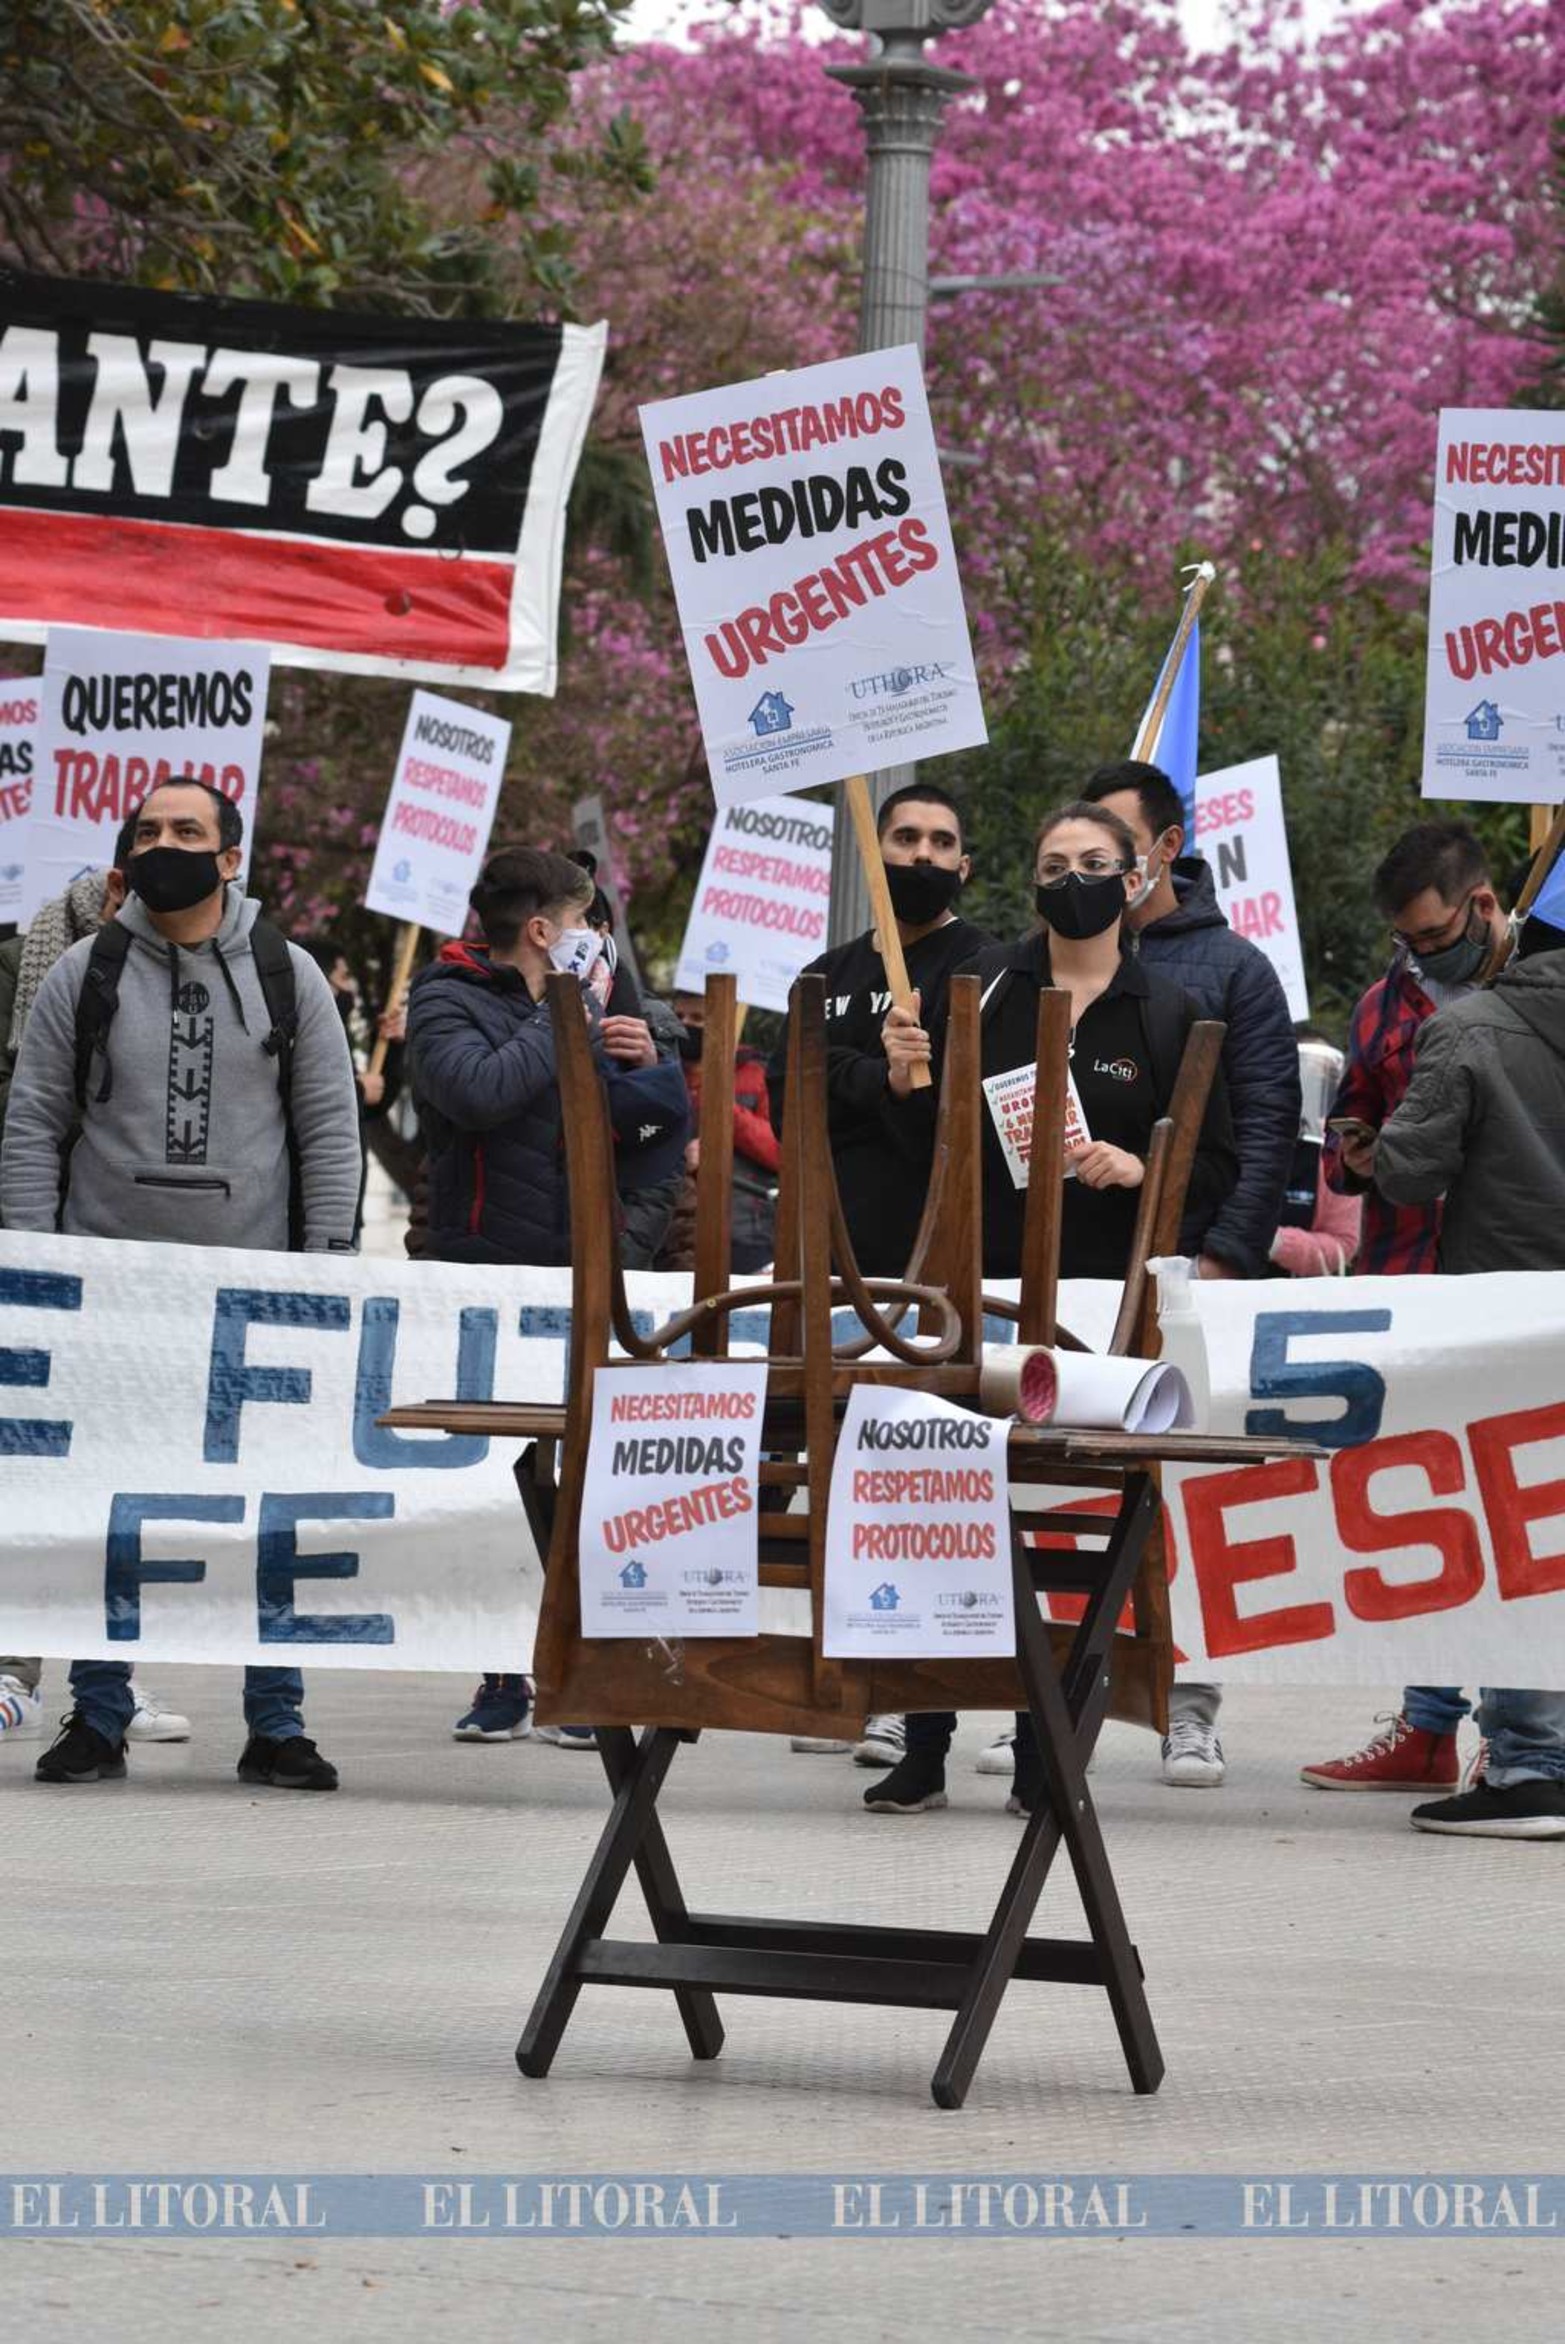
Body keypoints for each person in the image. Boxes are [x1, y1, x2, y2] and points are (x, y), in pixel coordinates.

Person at [865, 798, 1238, 1816]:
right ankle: (922, 1737)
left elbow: (1214, 1162)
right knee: (947, 1507)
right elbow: (925, 1145)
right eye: (1051, 864)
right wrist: (901, 1079)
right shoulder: (980, 992)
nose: (1071, 880)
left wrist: (1142, 1166)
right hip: (976, 1294)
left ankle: (1044, 1746)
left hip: (1099, 1308)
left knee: (1067, 1523)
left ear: (1132, 879)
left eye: (1092, 862)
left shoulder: (1166, 1012)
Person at [1, 779, 362, 1790]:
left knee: (270, 1515)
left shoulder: (289, 974)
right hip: (108, 1294)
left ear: (229, 857)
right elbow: (32, 1124)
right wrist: (36, 1263)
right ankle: (98, 1714)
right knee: (110, 1510)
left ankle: (277, 1723)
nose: (165, 843)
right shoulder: (84, 971)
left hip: (256, 1301)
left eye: (187, 831)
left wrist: (326, 1270)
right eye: (150, 830)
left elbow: (330, 1130)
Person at [407, 844, 689, 1746]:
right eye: (580, 923)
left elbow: (654, 1142)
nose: (596, 938)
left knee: (585, 1483)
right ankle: (504, 1673)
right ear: (540, 931)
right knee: (500, 1484)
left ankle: (580, 1672)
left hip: (588, 1274)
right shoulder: (446, 998)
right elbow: (478, 1093)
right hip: (488, 1277)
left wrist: (643, 1064)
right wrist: (567, 1012)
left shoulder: (600, 1001)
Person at [1078, 760, 1301, 1789]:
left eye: (1114, 849)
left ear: (1164, 849)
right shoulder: (1051, 958)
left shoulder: (1233, 971)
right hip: (1076, 1279)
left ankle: (1189, 1706)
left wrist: (1221, 1256)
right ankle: (1052, 1698)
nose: (1094, 869)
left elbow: (1265, 1126)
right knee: (1067, 1487)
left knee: (1181, 1495)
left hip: (1186, 1276)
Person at [767, 781, 991, 1767]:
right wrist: (883, 1074)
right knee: (840, 1476)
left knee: (924, 1479)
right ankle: (852, 1677)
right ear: (875, 854)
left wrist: (914, 1082)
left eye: (941, 841)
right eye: (903, 837)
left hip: (941, 1262)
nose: (922, 855)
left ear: (964, 864)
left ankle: (913, 1696)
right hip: (836, 1256)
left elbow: (976, 1106)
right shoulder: (822, 975)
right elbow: (793, 1090)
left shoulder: (987, 968)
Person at [1301, 821, 1513, 1795]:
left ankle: (1519, 1740)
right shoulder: (1383, 1003)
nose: (1419, 955)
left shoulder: (1538, 993)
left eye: (1431, 936)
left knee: (1515, 1507)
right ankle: (1426, 1725)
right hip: (1410, 1276)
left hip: (1514, 1281)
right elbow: (1350, 1112)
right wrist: (1354, 1144)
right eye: (1404, 940)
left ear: (1481, 904)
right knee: (1428, 1504)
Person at [1346, 906, 1565, 1841]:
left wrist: (1372, 1149)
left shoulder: (1468, 1027)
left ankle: (1528, 1763)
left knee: (1518, 1532)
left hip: (1504, 1317)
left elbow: (1411, 1175)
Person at [0, 826, 195, 1749]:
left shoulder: (204, 969)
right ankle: (15, 1666)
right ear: (116, 880)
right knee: (39, 1470)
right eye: (150, 844)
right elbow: (26, 1110)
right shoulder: (37, 965)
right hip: (44, 1252)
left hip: (131, 1260)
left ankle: (107, 1678)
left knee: (120, 1477)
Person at [666, 987, 780, 1273]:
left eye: (697, 1018)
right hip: (674, 1233)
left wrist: (726, 1112)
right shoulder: (661, 1069)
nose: (686, 1025)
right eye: (679, 1016)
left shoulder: (758, 1074)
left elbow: (779, 1151)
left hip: (745, 1232)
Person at [1267, 1029, 1361, 1278]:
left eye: (1324, 1076)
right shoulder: (1245, 1138)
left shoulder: (1335, 1156)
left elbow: (1344, 1243)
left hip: (1300, 1294)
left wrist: (1277, 1243)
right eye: (1305, 1071)